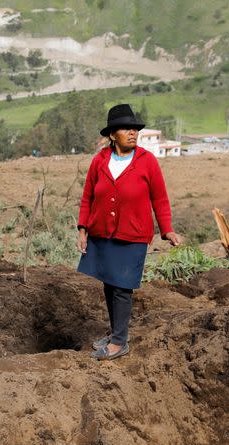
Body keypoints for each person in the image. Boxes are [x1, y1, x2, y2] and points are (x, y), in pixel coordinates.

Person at [76, 104, 182, 360]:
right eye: (126, 128)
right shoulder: (100, 160)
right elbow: (88, 196)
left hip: (133, 235)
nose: (133, 132)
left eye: (135, 128)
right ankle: (116, 332)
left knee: (122, 287)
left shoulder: (147, 162)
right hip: (102, 233)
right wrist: (82, 228)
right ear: (113, 134)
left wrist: (167, 230)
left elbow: (160, 199)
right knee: (109, 284)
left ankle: (120, 342)